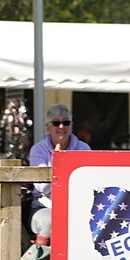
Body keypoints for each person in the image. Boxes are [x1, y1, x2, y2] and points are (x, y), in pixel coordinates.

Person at [27, 103, 91, 244]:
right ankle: (42, 258)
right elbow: (43, 188)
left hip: (77, 205)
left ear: (71, 126)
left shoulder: (84, 148)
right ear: (48, 127)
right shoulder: (38, 150)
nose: (61, 127)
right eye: (56, 123)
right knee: (49, 222)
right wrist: (58, 160)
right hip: (45, 205)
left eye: (66, 123)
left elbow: (86, 184)